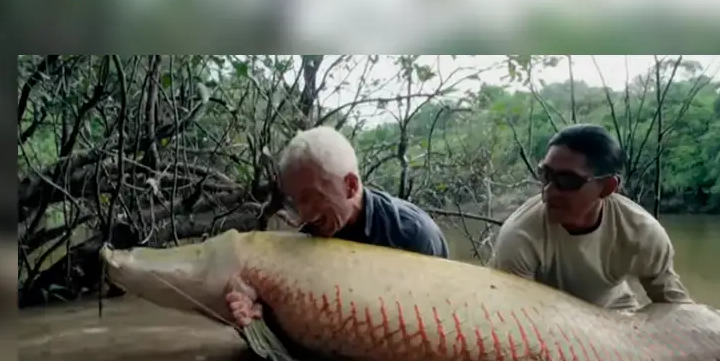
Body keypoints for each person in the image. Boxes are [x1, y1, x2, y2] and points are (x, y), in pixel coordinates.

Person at [490, 124, 692, 311]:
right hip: (546, 315)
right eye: (546, 175)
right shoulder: (519, 236)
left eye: (567, 181)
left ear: (607, 187)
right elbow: (516, 313)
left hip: (616, 312)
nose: (549, 191)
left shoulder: (642, 232)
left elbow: (673, 304)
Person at [276, 125, 450, 258]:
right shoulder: (311, 234)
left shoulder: (413, 236)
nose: (303, 215)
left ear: (350, 186)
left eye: (311, 197)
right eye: (295, 200)